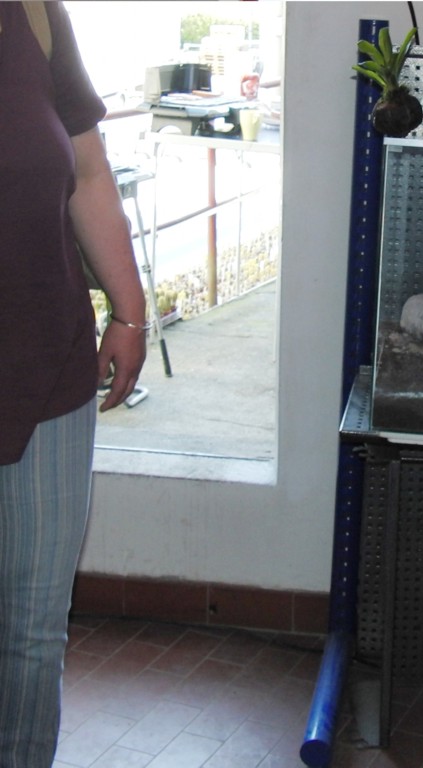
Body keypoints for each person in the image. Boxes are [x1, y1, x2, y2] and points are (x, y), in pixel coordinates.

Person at [1, 2, 148, 765]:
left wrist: (129, 310)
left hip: (47, 363)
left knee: (32, 628)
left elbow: (87, 171)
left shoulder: (34, 13)